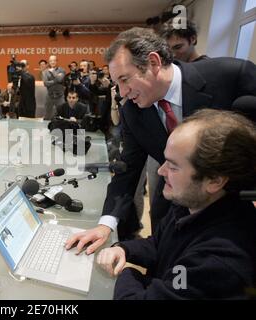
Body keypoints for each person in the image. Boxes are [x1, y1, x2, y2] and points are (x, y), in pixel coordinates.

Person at [65, 27, 256, 253]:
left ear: (153, 63)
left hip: (239, 209)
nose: (123, 92)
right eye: (118, 84)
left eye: (125, 80)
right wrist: (105, 225)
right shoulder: (132, 112)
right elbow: (128, 170)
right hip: (176, 205)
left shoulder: (233, 76)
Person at [97, 109, 256, 299]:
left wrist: (129, 273)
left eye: (173, 166)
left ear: (214, 181)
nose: (161, 171)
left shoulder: (218, 261)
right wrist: (124, 249)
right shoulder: (193, 202)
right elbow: (159, 244)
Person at [42, 55, 66, 120]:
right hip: (50, 96)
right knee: (47, 115)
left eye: (54, 60)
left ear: (57, 61)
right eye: (51, 61)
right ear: (49, 62)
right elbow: (45, 83)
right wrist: (56, 80)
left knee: (62, 114)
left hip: (60, 96)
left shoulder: (62, 70)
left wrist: (53, 72)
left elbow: (60, 79)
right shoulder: (45, 71)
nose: (52, 62)